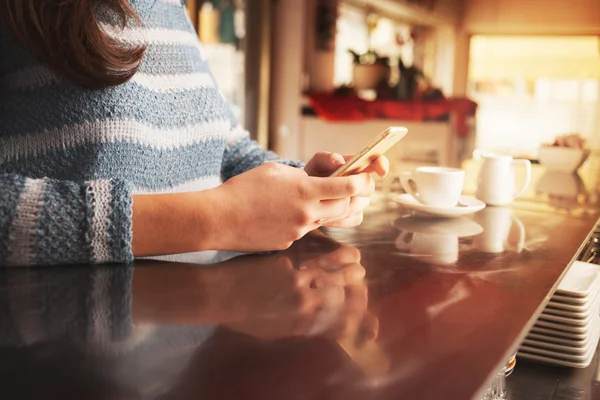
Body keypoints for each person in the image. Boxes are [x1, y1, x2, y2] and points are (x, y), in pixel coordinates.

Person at [0, 0, 389, 267]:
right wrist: (217, 219)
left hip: (186, 355)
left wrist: (305, 186)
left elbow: (223, 142)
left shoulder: (172, 8)